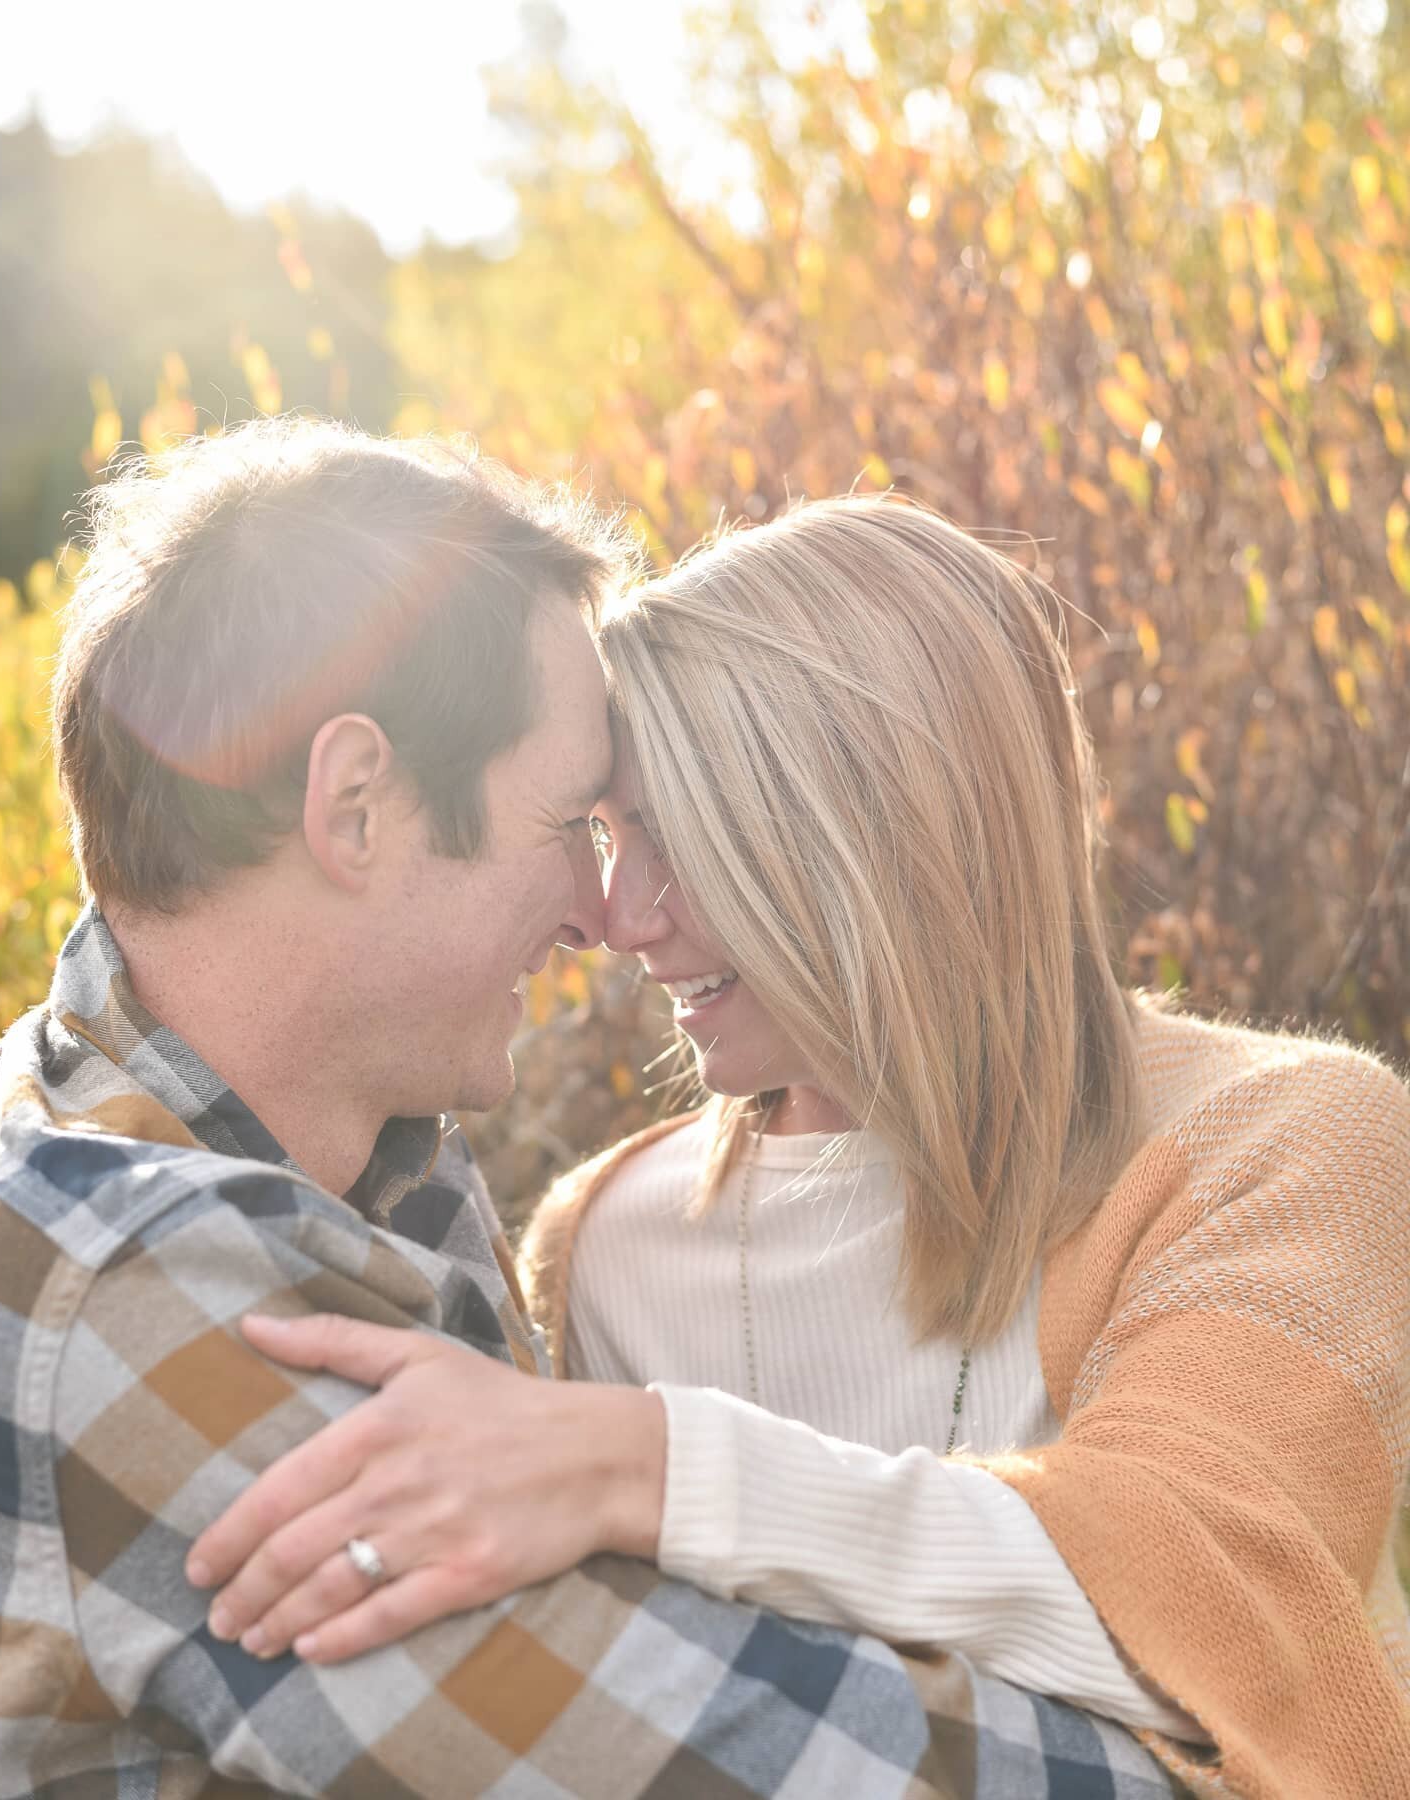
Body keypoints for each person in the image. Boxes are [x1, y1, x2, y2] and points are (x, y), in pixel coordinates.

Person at [0, 425, 1181, 1800]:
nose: (604, 916)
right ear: (356, 805)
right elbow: (721, 1759)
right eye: (570, 828)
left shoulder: (361, 1155)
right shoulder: (137, 1290)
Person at [192, 496, 1410, 1800]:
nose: (618, 914)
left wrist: (642, 1462)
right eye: (607, 833)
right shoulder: (603, 1244)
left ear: (874, 834)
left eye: (678, 835)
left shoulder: (1289, 1142)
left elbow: (1208, 1593)